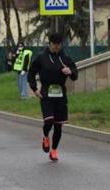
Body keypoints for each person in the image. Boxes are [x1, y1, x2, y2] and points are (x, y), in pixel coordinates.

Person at [27, 32, 78, 162]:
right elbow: (31, 73)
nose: (56, 47)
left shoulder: (65, 58)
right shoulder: (41, 58)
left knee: (59, 125)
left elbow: (75, 73)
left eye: (58, 45)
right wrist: (34, 88)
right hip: (46, 94)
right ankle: (45, 136)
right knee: (49, 121)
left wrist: (70, 71)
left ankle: (54, 151)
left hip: (60, 95)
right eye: (54, 45)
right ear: (49, 44)